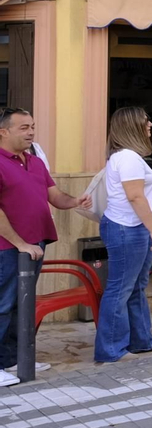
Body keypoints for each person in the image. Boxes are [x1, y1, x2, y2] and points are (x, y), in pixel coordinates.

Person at [0, 108, 89, 384]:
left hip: (35, 244)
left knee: (21, 306)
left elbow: (54, 195)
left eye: (33, 127)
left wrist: (75, 201)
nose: (31, 132)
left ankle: (13, 359)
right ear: (4, 132)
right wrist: (20, 243)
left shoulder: (35, 162)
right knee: (3, 305)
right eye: (24, 128)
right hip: (8, 248)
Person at [96, 106, 152, 364]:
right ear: (132, 126)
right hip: (129, 228)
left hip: (130, 227)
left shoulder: (127, 156)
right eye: (145, 121)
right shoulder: (127, 158)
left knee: (135, 287)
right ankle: (112, 349)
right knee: (121, 288)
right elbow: (135, 196)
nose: (150, 124)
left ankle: (141, 340)